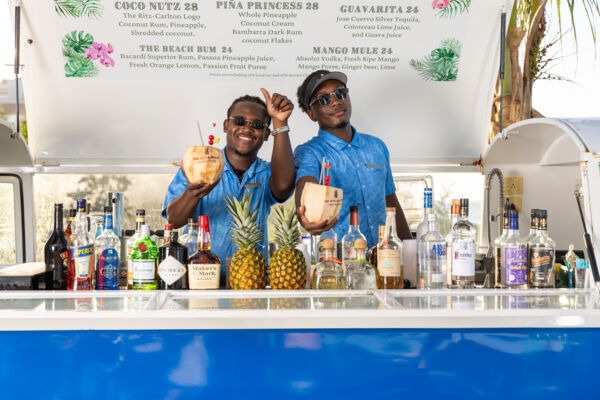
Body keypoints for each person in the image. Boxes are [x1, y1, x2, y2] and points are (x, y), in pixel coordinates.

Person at [162, 89, 295, 282]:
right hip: (199, 279)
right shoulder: (196, 165)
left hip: (251, 280)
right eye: (239, 121)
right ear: (226, 125)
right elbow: (173, 221)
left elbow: (283, 187)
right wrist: (193, 194)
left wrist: (280, 123)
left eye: (257, 125)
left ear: (266, 133)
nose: (247, 129)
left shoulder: (266, 173)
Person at [294, 70, 411, 247]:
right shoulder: (310, 152)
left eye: (340, 93)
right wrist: (305, 215)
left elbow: (390, 202)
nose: (335, 101)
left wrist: (410, 250)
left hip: (384, 258)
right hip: (339, 263)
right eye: (324, 99)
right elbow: (306, 188)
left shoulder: (376, 147)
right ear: (311, 114)